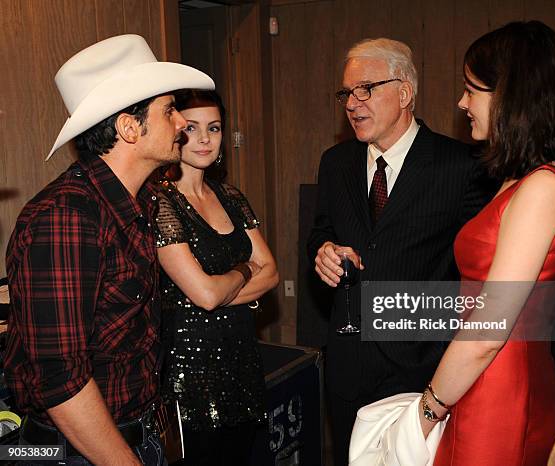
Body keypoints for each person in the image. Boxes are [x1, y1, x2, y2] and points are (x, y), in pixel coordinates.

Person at [4, 34, 214, 465]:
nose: (182, 124)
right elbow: (61, 381)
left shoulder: (141, 202)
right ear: (129, 127)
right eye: (170, 110)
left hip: (134, 437)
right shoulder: (66, 217)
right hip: (79, 452)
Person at [415, 21, 555, 466]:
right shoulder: (529, 180)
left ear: (512, 97)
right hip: (493, 383)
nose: (461, 103)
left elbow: (487, 331)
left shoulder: (543, 187)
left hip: (497, 397)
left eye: (471, 90)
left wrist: (427, 409)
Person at [306, 37, 493, 465]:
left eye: (365, 89)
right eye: (346, 93)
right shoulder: (335, 163)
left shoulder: (461, 166)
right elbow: (320, 234)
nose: (352, 104)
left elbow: (480, 275)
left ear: (404, 92)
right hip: (348, 365)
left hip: (422, 371)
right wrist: (323, 252)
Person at [154, 89, 279, 465]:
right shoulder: (161, 202)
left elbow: (271, 273)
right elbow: (205, 295)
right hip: (189, 375)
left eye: (215, 128)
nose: (205, 138)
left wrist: (213, 289)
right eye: (192, 128)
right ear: (175, 132)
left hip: (240, 364)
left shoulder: (232, 197)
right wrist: (244, 270)